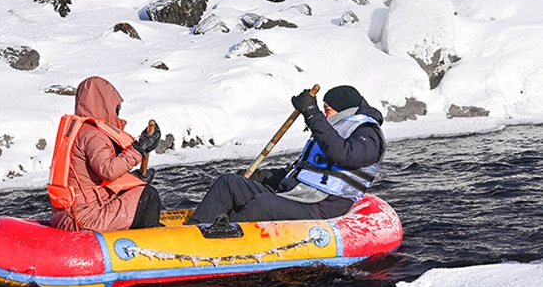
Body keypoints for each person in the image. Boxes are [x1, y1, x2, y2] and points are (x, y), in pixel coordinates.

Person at [187, 84, 385, 224]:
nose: (325, 116)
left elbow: (345, 155)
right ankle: (194, 231)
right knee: (229, 183)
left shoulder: (368, 134)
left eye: (327, 111)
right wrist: (263, 177)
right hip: (299, 196)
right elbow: (302, 173)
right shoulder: (331, 131)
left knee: (265, 204)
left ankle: (221, 241)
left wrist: (311, 113)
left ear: (345, 111)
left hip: (323, 206)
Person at [48, 76, 163, 231]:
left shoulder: (80, 131)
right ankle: (151, 244)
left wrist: (136, 178)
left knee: (136, 189)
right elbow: (107, 170)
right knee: (148, 195)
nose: (117, 112)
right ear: (105, 105)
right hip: (84, 219)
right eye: (116, 108)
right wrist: (140, 148)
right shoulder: (93, 135)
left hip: (67, 216)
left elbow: (95, 180)